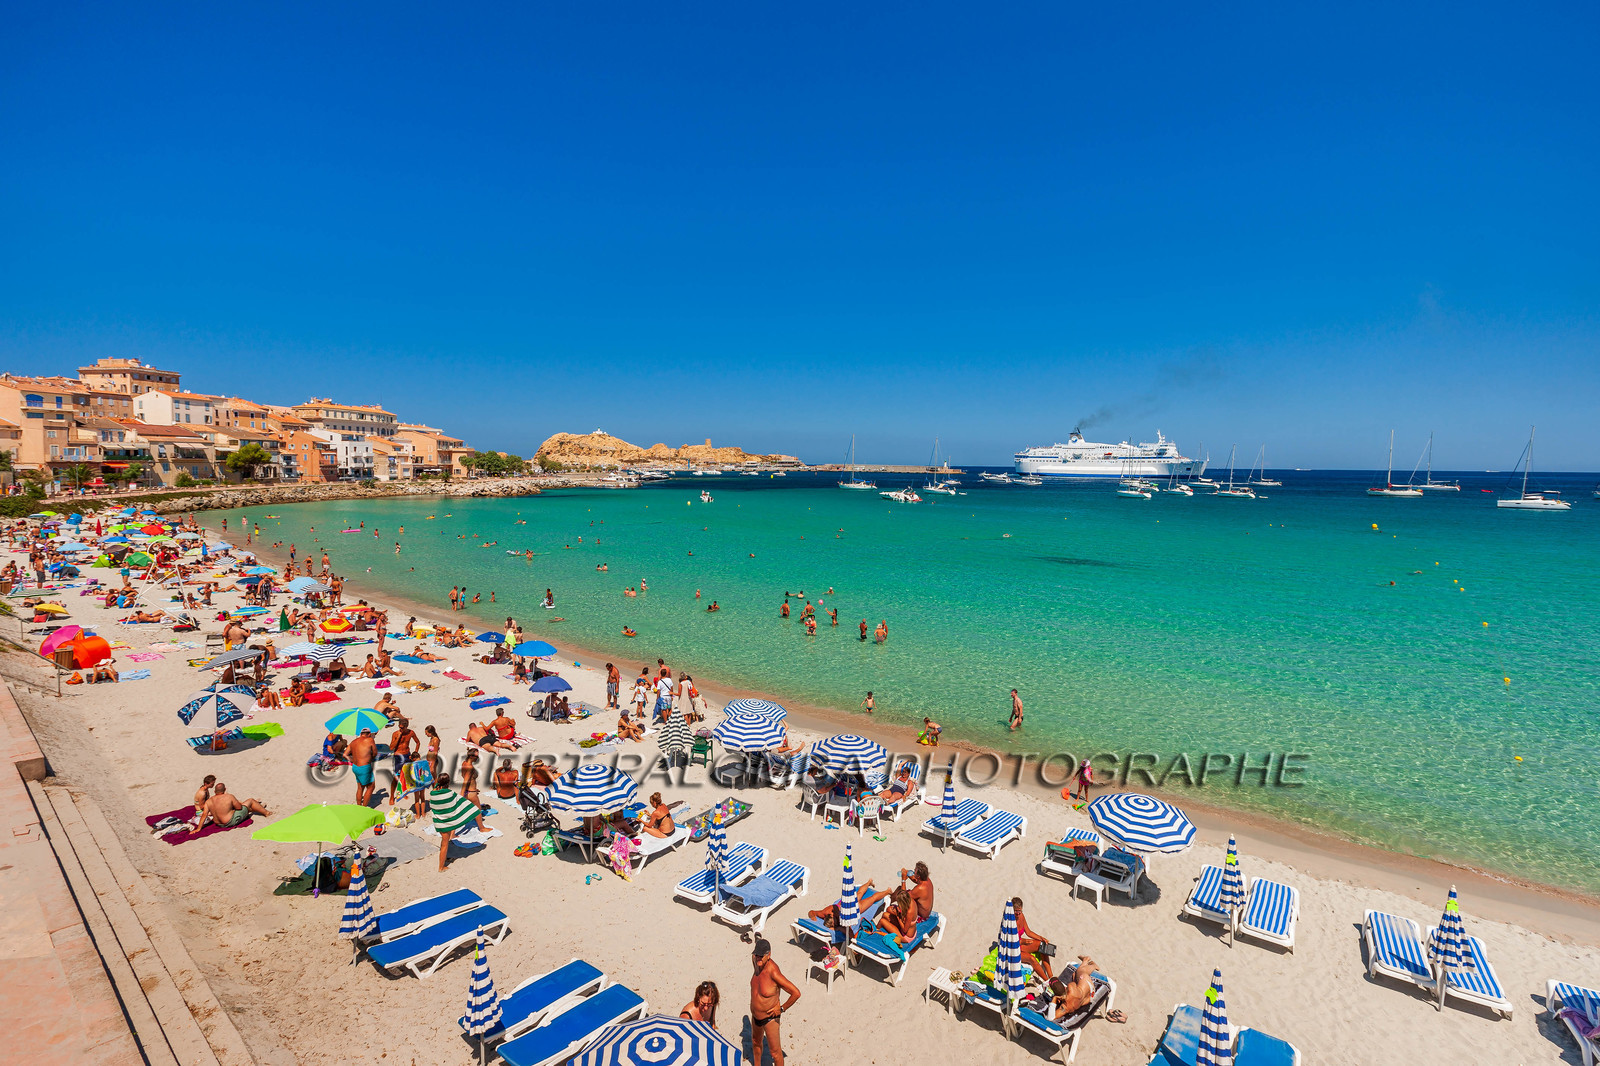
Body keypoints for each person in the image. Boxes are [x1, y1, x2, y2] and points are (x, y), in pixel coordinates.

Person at [427, 768, 488, 872]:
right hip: (446, 823)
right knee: (444, 845)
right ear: (448, 783)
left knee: (444, 843)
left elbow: (433, 804)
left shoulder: (433, 793)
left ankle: (444, 861)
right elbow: (460, 802)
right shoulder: (450, 794)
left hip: (439, 822)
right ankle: (441, 867)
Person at [750, 939, 799, 1066]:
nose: (758, 958)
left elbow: (796, 993)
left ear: (769, 955)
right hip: (755, 1016)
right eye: (757, 954)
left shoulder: (774, 972)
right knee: (756, 1043)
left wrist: (782, 1008)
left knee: (775, 1053)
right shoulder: (756, 962)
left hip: (770, 1018)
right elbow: (756, 949)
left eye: (761, 956)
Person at [193, 782, 270, 833]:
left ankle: (257, 807)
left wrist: (198, 829)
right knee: (250, 801)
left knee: (238, 807)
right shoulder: (229, 796)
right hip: (230, 821)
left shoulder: (209, 801)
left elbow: (204, 815)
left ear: (214, 792)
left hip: (219, 824)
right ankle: (267, 813)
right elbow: (239, 808)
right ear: (225, 789)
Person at [1011, 896, 1054, 980]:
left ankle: (1051, 977)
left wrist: (1041, 938)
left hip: (1020, 944)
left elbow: (1028, 932)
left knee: (1042, 945)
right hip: (1012, 949)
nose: (1018, 913)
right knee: (1032, 959)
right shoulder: (1009, 922)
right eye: (1016, 911)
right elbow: (1010, 943)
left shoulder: (1021, 916)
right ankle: (1047, 981)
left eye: (1020, 911)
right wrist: (1022, 942)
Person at [348, 728, 377, 806]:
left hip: (355, 767)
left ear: (361, 734)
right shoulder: (370, 740)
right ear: (369, 734)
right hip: (364, 767)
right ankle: (363, 808)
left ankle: (358, 806)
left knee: (360, 787)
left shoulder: (353, 742)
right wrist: (370, 758)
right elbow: (375, 753)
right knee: (371, 787)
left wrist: (352, 760)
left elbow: (345, 754)